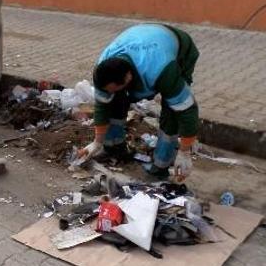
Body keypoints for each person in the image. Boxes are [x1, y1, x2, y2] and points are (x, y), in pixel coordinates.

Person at [78, 24, 200, 181]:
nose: (111, 92)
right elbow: (102, 106)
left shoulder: (163, 70)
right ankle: (114, 148)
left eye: (115, 88)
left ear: (128, 78)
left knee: (172, 110)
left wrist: (185, 152)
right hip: (140, 38)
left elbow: (187, 110)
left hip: (179, 48)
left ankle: (161, 166)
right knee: (116, 100)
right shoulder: (102, 70)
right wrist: (97, 142)